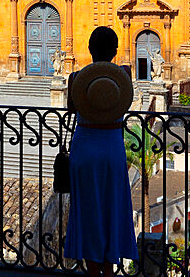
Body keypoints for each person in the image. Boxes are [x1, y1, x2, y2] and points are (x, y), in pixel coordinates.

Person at [64, 26, 139, 276]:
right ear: (116, 51)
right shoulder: (124, 76)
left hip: (84, 148)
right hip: (111, 149)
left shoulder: (75, 78)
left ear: (89, 49)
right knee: (111, 207)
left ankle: (92, 270)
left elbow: (71, 110)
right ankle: (109, 269)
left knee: (87, 209)